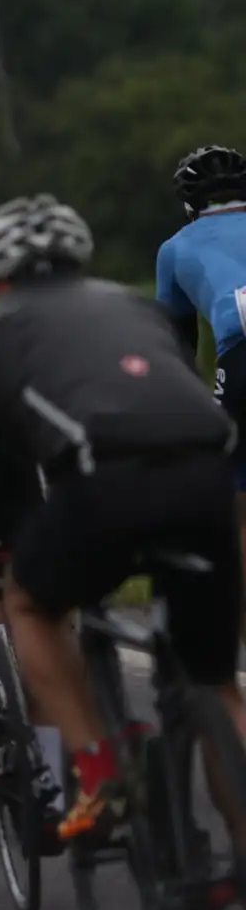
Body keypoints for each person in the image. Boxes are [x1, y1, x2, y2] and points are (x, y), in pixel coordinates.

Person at [0, 196, 243, 842]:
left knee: (29, 603)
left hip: (105, 480)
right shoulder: (135, 305)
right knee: (213, 680)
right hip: (208, 474)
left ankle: (102, 775)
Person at [154, 142, 246, 593]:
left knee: (236, 501)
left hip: (241, 351)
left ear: (190, 206)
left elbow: (176, 346)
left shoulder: (174, 248)